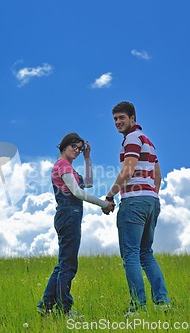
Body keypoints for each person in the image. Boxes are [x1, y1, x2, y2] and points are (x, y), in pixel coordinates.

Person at [104, 101, 171, 316]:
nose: (118, 122)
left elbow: (129, 169)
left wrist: (110, 194)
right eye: (115, 119)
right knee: (146, 254)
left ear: (133, 118)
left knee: (131, 255)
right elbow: (158, 175)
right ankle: (163, 303)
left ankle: (138, 308)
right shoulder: (148, 141)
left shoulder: (132, 139)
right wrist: (151, 195)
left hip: (134, 202)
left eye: (121, 117)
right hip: (151, 201)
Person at [37, 132, 114, 317]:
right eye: (74, 146)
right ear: (64, 146)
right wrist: (104, 204)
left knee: (63, 263)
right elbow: (78, 193)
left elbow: (88, 183)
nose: (77, 150)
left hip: (70, 216)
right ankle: (65, 310)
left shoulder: (70, 168)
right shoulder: (62, 165)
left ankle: (45, 305)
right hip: (68, 214)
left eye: (79, 148)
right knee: (69, 265)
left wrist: (88, 159)